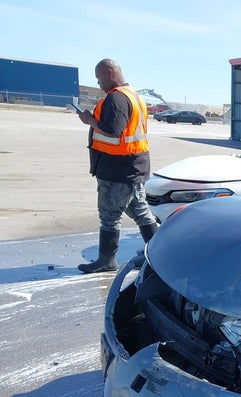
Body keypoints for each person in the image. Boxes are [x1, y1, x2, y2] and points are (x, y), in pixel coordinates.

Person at [76, 58, 158, 273]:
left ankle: (106, 260)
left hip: (117, 169)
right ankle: (160, 252)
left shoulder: (117, 99)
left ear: (109, 72)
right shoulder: (134, 96)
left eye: (99, 77)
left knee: (110, 216)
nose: (98, 83)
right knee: (141, 211)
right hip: (133, 166)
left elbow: (113, 130)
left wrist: (89, 120)